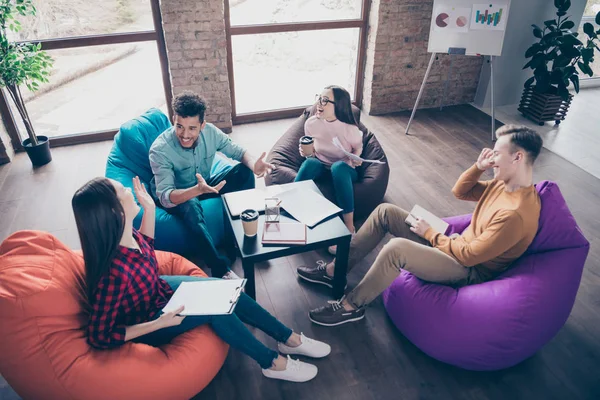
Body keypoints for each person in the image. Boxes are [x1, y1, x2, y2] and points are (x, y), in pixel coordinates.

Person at [72, 176, 330, 382]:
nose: (130, 190)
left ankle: (288, 339)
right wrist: (159, 324)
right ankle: (271, 363)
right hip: (149, 319)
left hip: (157, 289)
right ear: (116, 212)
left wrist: (149, 208)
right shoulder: (112, 274)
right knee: (219, 309)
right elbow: (99, 336)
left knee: (227, 290)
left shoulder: (126, 234)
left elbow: (147, 248)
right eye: (123, 192)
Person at [301, 125, 543, 326]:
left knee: (397, 249)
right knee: (386, 212)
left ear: (518, 157)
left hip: (469, 269)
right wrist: (479, 168)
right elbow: (460, 191)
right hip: (455, 243)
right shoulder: (503, 184)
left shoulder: (515, 214)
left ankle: (351, 306)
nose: (491, 159)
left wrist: (432, 234)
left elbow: (470, 258)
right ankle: (335, 271)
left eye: (497, 154)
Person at [149, 91, 275, 279]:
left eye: (192, 128)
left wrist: (253, 163)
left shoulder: (211, 132)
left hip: (204, 185)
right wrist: (196, 190)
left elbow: (238, 152)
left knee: (244, 173)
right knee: (191, 204)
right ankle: (219, 268)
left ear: (202, 125)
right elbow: (166, 197)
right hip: (178, 194)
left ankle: (243, 239)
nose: (184, 134)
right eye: (179, 126)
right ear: (173, 121)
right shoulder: (160, 150)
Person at [295, 85, 363, 254]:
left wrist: (356, 159)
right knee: (311, 164)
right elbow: (310, 149)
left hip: (344, 168)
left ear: (338, 105)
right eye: (319, 98)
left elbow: (358, 149)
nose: (320, 103)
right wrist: (306, 153)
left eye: (325, 100)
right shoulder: (311, 123)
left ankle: (349, 226)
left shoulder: (350, 129)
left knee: (339, 167)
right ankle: (291, 210)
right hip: (320, 163)